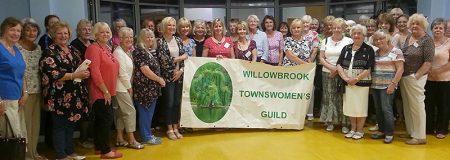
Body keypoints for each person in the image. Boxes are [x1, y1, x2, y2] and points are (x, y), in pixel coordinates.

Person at [39, 21, 89, 160]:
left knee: (70, 124)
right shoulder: (49, 51)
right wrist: (74, 75)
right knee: (60, 125)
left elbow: (80, 67)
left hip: (74, 93)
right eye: (59, 33)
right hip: (58, 95)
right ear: (54, 35)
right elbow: (53, 73)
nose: (63, 36)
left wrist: (84, 73)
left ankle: (70, 151)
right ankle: (61, 155)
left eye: (65, 33)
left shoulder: (73, 50)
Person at [85, 22, 123, 158]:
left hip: (109, 90)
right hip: (100, 91)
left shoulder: (106, 48)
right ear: (95, 34)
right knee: (106, 120)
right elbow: (94, 71)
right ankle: (106, 151)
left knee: (102, 120)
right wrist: (105, 90)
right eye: (102, 32)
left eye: (107, 32)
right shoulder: (93, 49)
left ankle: (99, 147)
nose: (106, 34)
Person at [399, 13, 434, 145]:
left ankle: (420, 136)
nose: (414, 26)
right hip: (404, 76)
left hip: (415, 77)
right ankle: (411, 131)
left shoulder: (427, 40)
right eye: (412, 23)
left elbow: (428, 62)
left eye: (417, 24)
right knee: (408, 105)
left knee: (417, 106)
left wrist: (416, 76)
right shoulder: (409, 37)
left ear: (423, 26)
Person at [16, 18, 47, 160]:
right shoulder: (16, 47)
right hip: (23, 92)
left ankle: (34, 153)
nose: (31, 32)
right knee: (24, 125)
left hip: (37, 91)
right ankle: (25, 155)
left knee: (35, 125)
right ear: (22, 31)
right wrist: (24, 91)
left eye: (34, 29)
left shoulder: (38, 48)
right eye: (28, 29)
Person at [337, 24, 375, 140]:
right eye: (354, 33)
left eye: (359, 33)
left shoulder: (369, 49)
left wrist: (356, 79)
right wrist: (345, 78)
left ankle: (360, 130)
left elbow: (369, 68)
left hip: (361, 84)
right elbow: (339, 64)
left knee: (361, 107)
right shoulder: (346, 48)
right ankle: (353, 128)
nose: (356, 35)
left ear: (364, 35)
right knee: (350, 107)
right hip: (347, 83)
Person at [112, 27, 144, 149]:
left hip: (123, 87)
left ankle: (119, 138)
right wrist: (129, 88)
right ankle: (131, 140)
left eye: (131, 37)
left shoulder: (127, 51)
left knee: (121, 113)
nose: (129, 39)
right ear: (120, 39)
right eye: (126, 37)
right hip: (121, 87)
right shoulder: (118, 53)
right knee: (130, 112)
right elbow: (122, 73)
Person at [319, 18, 353, 132]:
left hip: (343, 73)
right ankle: (330, 121)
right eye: (334, 27)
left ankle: (345, 123)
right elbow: (321, 58)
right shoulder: (326, 41)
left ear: (343, 29)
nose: (336, 29)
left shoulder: (348, 41)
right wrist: (332, 68)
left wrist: (338, 70)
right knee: (329, 97)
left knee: (342, 97)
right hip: (327, 72)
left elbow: (349, 58)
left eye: (339, 27)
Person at [370, 31, 404, 143]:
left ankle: (389, 133)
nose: (379, 41)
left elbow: (400, 69)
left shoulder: (396, 51)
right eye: (376, 39)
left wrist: (393, 84)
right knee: (378, 109)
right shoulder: (375, 52)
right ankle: (381, 130)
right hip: (375, 85)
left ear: (387, 39)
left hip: (388, 86)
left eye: (381, 38)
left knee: (386, 109)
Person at [157, 17, 187, 140]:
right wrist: (179, 59)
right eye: (169, 25)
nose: (172, 27)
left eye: (174, 25)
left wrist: (180, 70)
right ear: (164, 26)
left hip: (179, 76)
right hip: (167, 77)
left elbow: (185, 56)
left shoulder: (178, 40)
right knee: (168, 103)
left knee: (176, 103)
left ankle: (176, 127)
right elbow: (163, 60)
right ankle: (169, 128)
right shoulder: (160, 41)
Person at [133, 28, 165, 145]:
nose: (150, 39)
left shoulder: (149, 51)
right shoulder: (139, 51)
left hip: (151, 89)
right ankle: (146, 137)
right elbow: (145, 70)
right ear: (141, 38)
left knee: (149, 113)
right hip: (144, 89)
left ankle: (148, 134)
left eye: (152, 37)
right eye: (147, 37)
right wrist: (159, 79)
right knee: (145, 113)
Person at [0, 16, 27, 150]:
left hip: (17, 100)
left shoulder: (16, 49)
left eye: (18, 31)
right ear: (4, 29)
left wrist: (25, 93)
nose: (16, 33)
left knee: (16, 139)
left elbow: (22, 73)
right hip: (4, 101)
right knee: (6, 140)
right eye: (12, 30)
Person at [425, 18, 450, 139]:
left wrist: (437, 71)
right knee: (428, 105)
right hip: (428, 80)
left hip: (445, 80)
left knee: (443, 105)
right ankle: (428, 128)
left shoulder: (449, 42)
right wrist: (429, 72)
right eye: (435, 27)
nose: (438, 30)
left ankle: (442, 130)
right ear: (432, 29)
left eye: (441, 28)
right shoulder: (428, 42)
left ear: (445, 30)